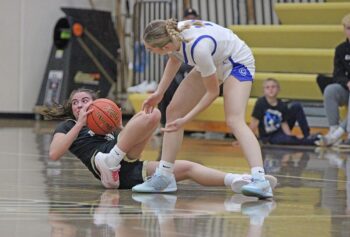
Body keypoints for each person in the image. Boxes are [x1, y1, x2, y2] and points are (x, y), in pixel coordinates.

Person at [122, 18, 274, 198]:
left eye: (150, 49)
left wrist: (186, 120)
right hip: (213, 59)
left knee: (234, 120)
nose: (149, 51)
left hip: (236, 61)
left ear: (164, 47)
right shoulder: (173, 34)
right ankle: (164, 177)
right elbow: (174, 59)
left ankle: (260, 179)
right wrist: (159, 92)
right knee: (173, 111)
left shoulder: (198, 49)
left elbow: (212, 92)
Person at [43, 88, 277, 193]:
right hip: (101, 164)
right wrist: (81, 124)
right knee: (185, 168)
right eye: (75, 102)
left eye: (85, 100)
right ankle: (109, 164)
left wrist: (119, 125)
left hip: (125, 159)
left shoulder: (106, 123)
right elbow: (54, 154)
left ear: (96, 104)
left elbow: (134, 135)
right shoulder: (68, 126)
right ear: (71, 109)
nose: (80, 105)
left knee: (153, 114)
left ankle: (242, 181)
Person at [249, 78, 320, 146]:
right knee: (287, 140)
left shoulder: (282, 105)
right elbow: (254, 122)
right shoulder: (260, 103)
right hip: (269, 136)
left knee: (296, 106)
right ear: (263, 91)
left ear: (278, 89)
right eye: (267, 87)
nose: (270, 89)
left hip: (281, 132)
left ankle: (307, 135)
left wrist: (289, 136)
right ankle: (314, 141)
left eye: (273, 87)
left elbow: (284, 123)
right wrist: (249, 139)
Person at [316, 13, 350, 147]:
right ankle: (334, 129)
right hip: (347, 89)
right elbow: (337, 74)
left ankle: (339, 135)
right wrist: (347, 82)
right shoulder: (341, 49)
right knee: (330, 90)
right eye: (348, 28)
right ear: (344, 29)